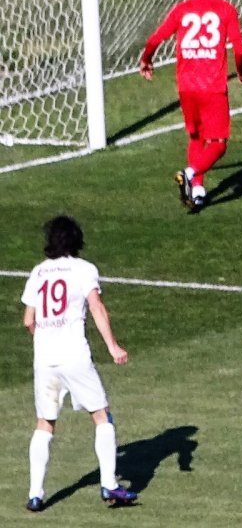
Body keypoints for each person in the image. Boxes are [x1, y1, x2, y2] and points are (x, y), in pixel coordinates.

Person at [21, 216, 138, 512]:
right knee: (102, 416)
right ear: (77, 240)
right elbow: (96, 307)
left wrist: (46, 338)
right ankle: (109, 484)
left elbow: (28, 321)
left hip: (44, 359)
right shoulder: (84, 270)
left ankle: (35, 494)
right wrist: (113, 347)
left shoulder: (38, 272)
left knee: (45, 424)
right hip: (74, 355)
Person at [140, 0, 242, 212]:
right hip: (212, 87)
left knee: (196, 136)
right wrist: (241, 72)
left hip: (186, 87)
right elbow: (240, 49)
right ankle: (190, 173)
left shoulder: (182, 8)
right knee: (219, 144)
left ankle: (198, 191)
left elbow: (155, 39)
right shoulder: (225, 9)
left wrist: (146, 60)